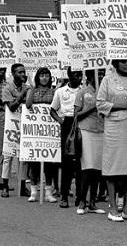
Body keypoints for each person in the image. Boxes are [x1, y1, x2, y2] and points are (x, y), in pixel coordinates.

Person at [96, 59, 127, 222]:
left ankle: (126, 209)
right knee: (113, 168)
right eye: (123, 61)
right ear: (116, 63)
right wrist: (121, 105)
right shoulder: (108, 79)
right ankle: (112, 208)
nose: (126, 64)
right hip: (114, 127)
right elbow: (100, 103)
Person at [74, 69, 107, 215]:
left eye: (102, 73)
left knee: (98, 170)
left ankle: (93, 202)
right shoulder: (82, 92)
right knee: (87, 168)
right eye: (97, 73)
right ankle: (82, 201)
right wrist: (93, 107)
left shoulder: (106, 92)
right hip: (86, 132)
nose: (99, 76)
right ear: (89, 75)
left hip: (102, 132)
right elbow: (76, 115)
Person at [51, 66, 83, 208]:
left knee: (81, 162)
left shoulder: (84, 91)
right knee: (66, 162)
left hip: (81, 122)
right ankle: (64, 195)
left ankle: (80, 197)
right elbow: (52, 110)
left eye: (80, 75)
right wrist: (60, 121)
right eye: (76, 75)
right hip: (67, 124)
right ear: (69, 76)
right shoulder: (60, 91)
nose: (79, 77)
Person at [25, 67, 57, 202]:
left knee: (49, 164)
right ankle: (33, 190)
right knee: (34, 163)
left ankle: (48, 192)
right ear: (37, 77)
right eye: (42, 75)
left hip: (49, 133)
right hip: (35, 133)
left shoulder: (54, 92)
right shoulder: (32, 91)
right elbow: (28, 104)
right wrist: (32, 88)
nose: (44, 78)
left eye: (47, 75)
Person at [1, 63, 31, 198]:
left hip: (24, 124)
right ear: (13, 74)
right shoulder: (7, 88)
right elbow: (12, 107)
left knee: (23, 156)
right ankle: (5, 185)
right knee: (8, 156)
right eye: (19, 72)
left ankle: (23, 185)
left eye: (24, 72)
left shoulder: (28, 87)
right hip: (11, 125)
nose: (23, 74)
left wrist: (29, 92)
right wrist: (23, 93)